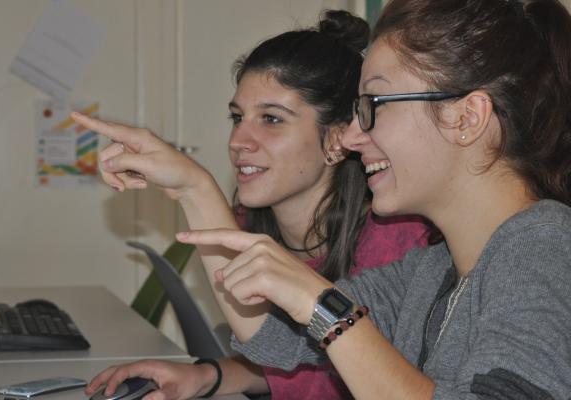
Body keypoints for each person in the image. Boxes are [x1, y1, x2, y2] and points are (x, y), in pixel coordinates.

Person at [175, 0, 571, 398]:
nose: (349, 137)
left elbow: (329, 318)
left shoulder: (543, 247)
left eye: (373, 106)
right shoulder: (432, 269)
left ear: (466, 118)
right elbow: (277, 339)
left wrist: (321, 304)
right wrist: (191, 187)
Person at [72, 10, 430, 399]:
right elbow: (292, 357)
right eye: (237, 117)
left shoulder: (398, 240)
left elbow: (344, 380)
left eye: (272, 120)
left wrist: (196, 188)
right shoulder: (247, 221)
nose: (239, 140)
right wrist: (209, 375)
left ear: (338, 138)